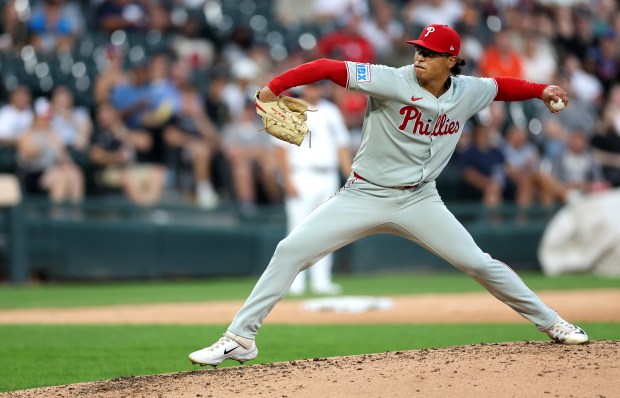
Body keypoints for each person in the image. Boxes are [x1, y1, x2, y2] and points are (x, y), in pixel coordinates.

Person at [189, 24, 589, 368]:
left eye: (430, 53)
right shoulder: (388, 79)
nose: (420, 57)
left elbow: (503, 87)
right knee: (290, 250)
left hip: (421, 200)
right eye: (418, 50)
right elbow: (326, 67)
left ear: (451, 61)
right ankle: (241, 338)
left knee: (479, 263)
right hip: (364, 193)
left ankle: (553, 323)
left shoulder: (469, 90)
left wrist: (541, 90)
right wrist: (274, 87)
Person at [278, 83, 352, 296]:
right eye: (310, 87)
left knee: (326, 229)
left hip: (327, 175)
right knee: (296, 231)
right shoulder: (290, 109)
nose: (314, 91)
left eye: (317, 87)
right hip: (300, 174)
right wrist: (287, 180)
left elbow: (342, 147)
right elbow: (280, 149)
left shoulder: (331, 111)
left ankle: (322, 280)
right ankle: (295, 281)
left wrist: (350, 177)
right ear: (303, 90)